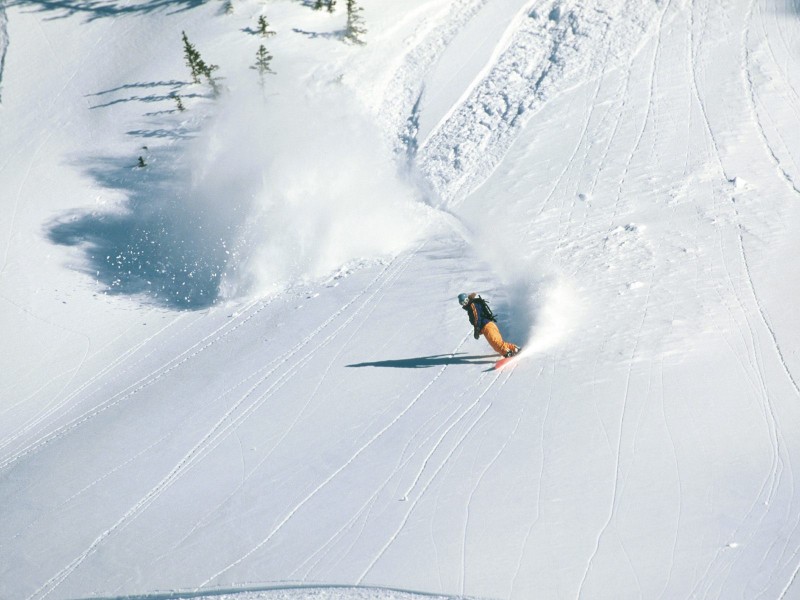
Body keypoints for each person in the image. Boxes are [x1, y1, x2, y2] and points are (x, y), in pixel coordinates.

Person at [458, 293, 520, 358]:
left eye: (465, 301)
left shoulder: (472, 305)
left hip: (487, 326)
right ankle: (514, 348)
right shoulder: (472, 306)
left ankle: (507, 353)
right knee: (497, 344)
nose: (464, 304)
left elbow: (477, 318)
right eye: (462, 303)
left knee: (496, 343)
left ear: (467, 299)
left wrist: (476, 329)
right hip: (487, 326)